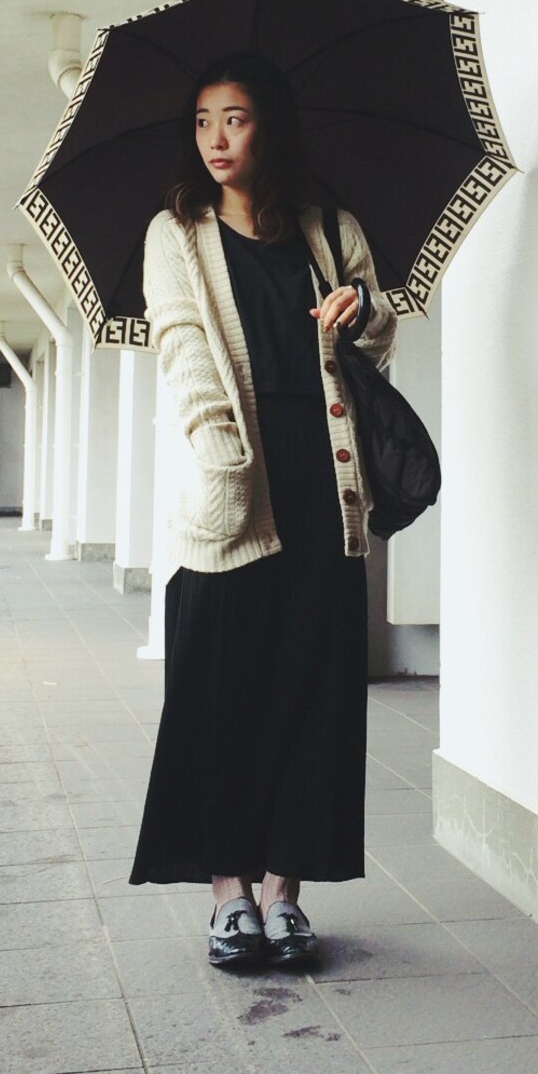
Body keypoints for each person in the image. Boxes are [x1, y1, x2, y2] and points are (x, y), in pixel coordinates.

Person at [128, 52, 396, 968]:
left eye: (234, 118)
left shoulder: (329, 230)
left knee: (310, 694)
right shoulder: (177, 232)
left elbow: (378, 340)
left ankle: (284, 892)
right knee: (219, 693)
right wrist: (224, 461)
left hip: (324, 486)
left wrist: (359, 314)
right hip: (231, 487)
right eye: (203, 121)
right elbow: (183, 347)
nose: (216, 138)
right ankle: (228, 895)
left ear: (267, 126)